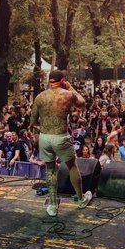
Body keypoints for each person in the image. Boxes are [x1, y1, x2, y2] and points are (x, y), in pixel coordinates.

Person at [30, 70, 92, 217]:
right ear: (62, 80)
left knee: (50, 169)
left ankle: (52, 205)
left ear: (49, 80)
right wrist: (70, 88)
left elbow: (32, 121)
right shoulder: (68, 94)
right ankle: (81, 199)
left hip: (45, 138)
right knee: (72, 166)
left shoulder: (40, 97)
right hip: (61, 136)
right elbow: (82, 104)